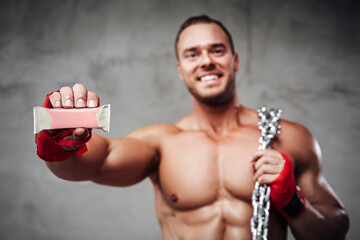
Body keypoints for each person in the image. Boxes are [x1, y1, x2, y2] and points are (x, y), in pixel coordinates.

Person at [35, 15, 349, 240]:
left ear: (235, 61)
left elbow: (335, 230)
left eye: (217, 50)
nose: (206, 61)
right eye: (192, 54)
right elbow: (88, 165)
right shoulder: (161, 143)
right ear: (180, 70)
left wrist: (293, 201)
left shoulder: (289, 137)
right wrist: (60, 142)